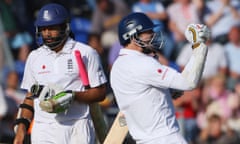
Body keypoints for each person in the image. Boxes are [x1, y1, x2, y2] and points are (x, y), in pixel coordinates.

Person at [13, 3, 107, 144]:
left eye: (52, 28)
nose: (47, 33)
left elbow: (100, 93)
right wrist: (20, 132)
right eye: (43, 29)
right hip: (43, 129)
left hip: (77, 126)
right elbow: (30, 97)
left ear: (65, 27)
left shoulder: (86, 53)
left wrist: (72, 96)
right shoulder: (34, 56)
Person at [110, 12, 210, 143]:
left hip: (143, 139)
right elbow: (188, 82)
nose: (153, 34)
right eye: (148, 31)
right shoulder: (143, 63)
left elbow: (143, 95)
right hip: (166, 138)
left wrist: (168, 92)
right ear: (133, 37)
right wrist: (199, 46)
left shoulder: (117, 67)